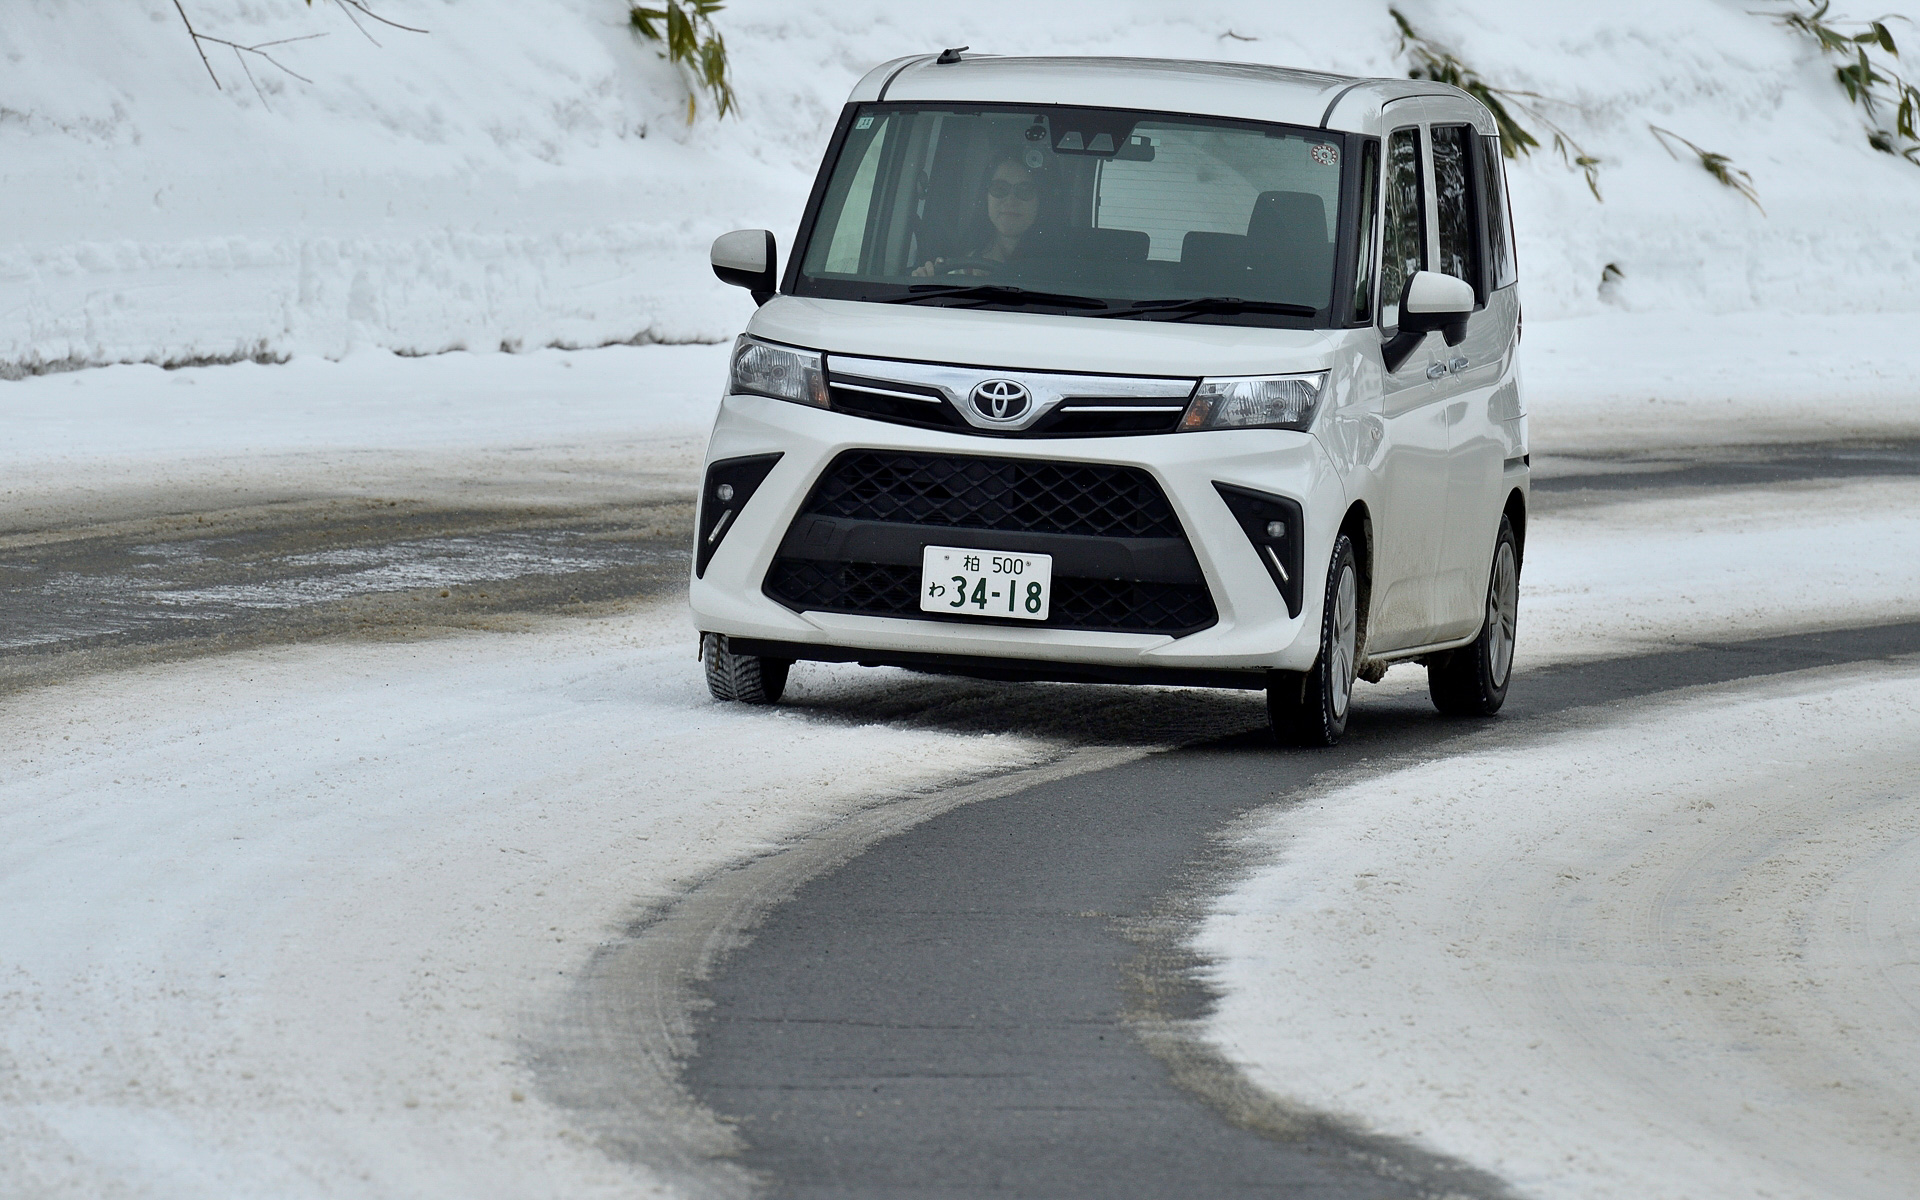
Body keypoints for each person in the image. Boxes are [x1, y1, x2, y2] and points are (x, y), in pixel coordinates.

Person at [913, 155, 1042, 277]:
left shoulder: (1054, 275)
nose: (1011, 200)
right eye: (1000, 188)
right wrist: (926, 280)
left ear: (1040, 200)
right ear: (986, 197)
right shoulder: (959, 268)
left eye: (1025, 190)